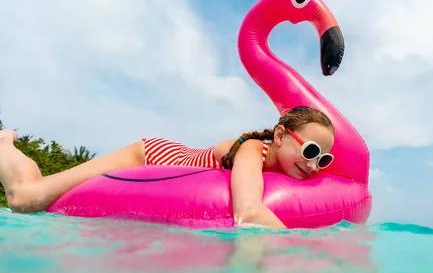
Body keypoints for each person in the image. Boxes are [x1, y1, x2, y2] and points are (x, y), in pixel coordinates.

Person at [0, 106, 335, 229]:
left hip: (176, 154)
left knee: (38, 192)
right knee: (25, 200)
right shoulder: (252, 150)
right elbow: (247, 212)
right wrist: (300, 251)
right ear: (280, 135)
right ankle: (3, 145)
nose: (313, 164)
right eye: (310, 150)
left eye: (323, 159)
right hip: (149, 156)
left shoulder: (281, 168)